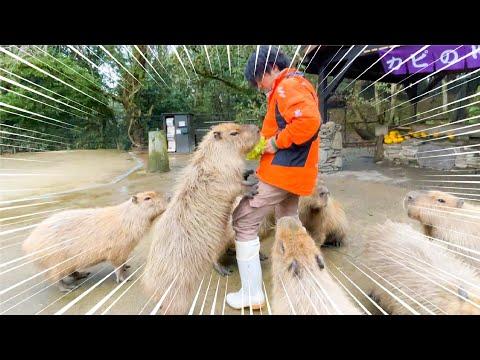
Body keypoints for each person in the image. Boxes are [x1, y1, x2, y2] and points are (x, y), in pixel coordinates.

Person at [226, 46, 322, 310]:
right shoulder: (294, 85)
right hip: (294, 173)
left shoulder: (286, 87)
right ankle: (300, 281)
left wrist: (275, 143)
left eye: (259, 78)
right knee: (288, 224)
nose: (258, 86)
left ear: (273, 68)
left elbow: (309, 122)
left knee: (243, 219)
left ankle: (251, 293)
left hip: (282, 173)